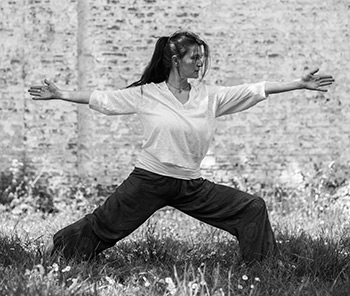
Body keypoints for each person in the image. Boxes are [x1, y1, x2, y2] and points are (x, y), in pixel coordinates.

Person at [28, 31, 334, 264]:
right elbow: (103, 99)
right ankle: (56, 250)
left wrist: (298, 83)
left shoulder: (209, 96)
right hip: (150, 179)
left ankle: (262, 267)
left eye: (201, 57)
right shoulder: (148, 94)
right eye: (193, 58)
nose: (200, 63)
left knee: (251, 207)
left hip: (190, 184)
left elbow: (254, 89)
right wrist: (60, 94)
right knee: (104, 225)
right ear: (176, 61)